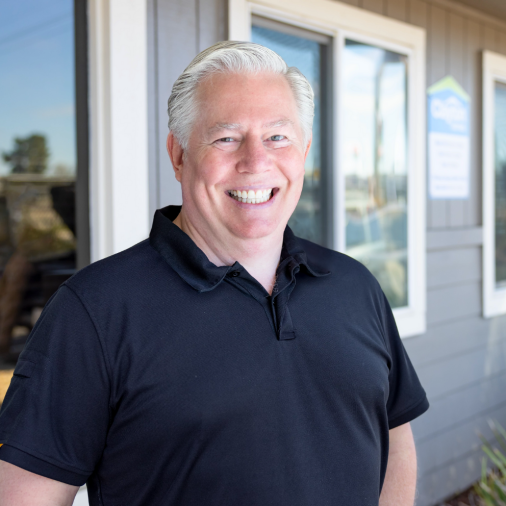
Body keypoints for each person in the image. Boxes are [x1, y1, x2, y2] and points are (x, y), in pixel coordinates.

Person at [0, 41, 428, 506]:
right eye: (226, 137)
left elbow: (395, 437)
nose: (256, 161)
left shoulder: (354, 286)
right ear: (179, 154)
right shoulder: (96, 311)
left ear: (303, 152)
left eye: (277, 137)